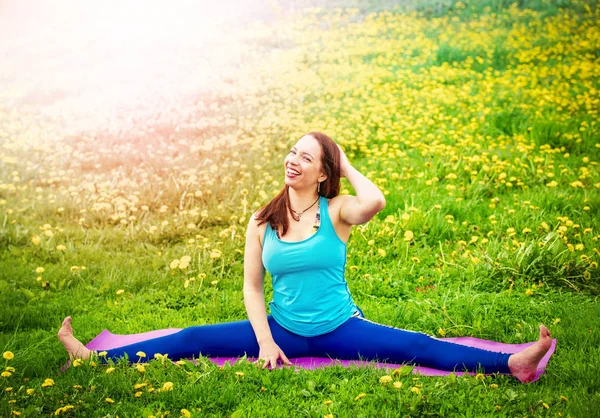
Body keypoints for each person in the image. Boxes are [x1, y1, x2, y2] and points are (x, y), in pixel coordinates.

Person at [59, 132, 552, 383]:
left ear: (323, 173)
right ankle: (93, 356)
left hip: (341, 325)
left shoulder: (337, 210)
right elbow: (253, 288)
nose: (293, 160)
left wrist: (347, 161)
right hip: (283, 327)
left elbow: (376, 201)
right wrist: (265, 343)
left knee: (419, 346)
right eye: (292, 152)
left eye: (307, 157)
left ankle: (511, 363)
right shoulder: (261, 219)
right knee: (190, 338)